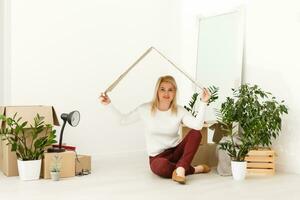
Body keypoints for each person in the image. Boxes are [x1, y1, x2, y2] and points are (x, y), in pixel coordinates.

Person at [99, 75, 211, 184]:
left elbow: (198, 126)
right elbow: (123, 120)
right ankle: (193, 170)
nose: (166, 93)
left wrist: (204, 102)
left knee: (196, 133)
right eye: (162, 89)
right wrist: (109, 104)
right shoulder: (145, 109)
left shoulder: (179, 110)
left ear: (175, 93)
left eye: (170, 90)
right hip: (158, 157)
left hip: (176, 151)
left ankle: (181, 168)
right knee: (161, 167)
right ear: (157, 91)